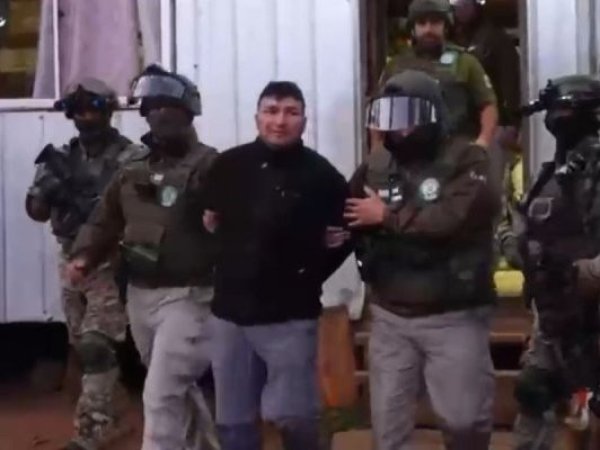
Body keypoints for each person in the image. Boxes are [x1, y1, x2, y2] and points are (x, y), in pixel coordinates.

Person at [65, 65, 219, 450]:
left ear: (188, 113)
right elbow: (104, 219)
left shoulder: (209, 165)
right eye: (151, 108)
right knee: (174, 386)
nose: (158, 115)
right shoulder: (133, 170)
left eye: (167, 107)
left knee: (159, 393)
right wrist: (83, 257)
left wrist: (220, 217)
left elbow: (237, 215)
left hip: (189, 297)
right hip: (139, 295)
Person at [346, 69, 499, 450]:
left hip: (454, 313)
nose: (398, 129)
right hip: (390, 314)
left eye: (407, 117)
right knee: (388, 429)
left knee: (464, 421)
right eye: (389, 117)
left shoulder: (468, 159)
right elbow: (346, 211)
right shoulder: (378, 165)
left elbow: (453, 219)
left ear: (432, 114)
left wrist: (387, 217)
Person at [203, 81, 349, 450]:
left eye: (290, 112)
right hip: (230, 318)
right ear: (257, 118)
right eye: (271, 111)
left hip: (291, 318)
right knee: (233, 424)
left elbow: (345, 235)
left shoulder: (322, 176)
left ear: (304, 121)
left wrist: (309, 273)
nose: (280, 121)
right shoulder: (227, 166)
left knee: (293, 416)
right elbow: (205, 220)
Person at [25, 78, 137, 450]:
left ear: (109, 112)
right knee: (82, 343)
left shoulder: (130, 157)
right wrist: (49, 191)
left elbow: (142, 211)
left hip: (112, 259)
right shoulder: (61, 158)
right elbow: (36, 211)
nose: (86, 117)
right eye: (79, 111)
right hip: (70, 258)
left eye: (94, 109)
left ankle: (92, 431)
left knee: (96, 344)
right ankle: (116, 413)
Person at [512, 75, 600, 450]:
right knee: (533, 392)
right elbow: (525, 230)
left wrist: (579, 273)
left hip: (592, 318)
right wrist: (517, 247)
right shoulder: (550, 174)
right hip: (553, 318)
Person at [380, 0, 498, 149]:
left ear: (446, 27)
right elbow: (380, 109)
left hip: (455, 151)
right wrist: (378, 149)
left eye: (435, 22)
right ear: (413, 29)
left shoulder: (465, 62)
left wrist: (483, 142)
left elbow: (487, 105)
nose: (428, 29)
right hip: (406, 152)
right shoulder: (396, 66)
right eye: (421, 23)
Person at [451, 0, 521, 193]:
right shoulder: (453, 41)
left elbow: (511, 81)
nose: (460, 8)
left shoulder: (495, 39)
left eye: (465, 3)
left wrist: (511, 122)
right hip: (459, 130)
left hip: (493, 127)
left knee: (491, 187)